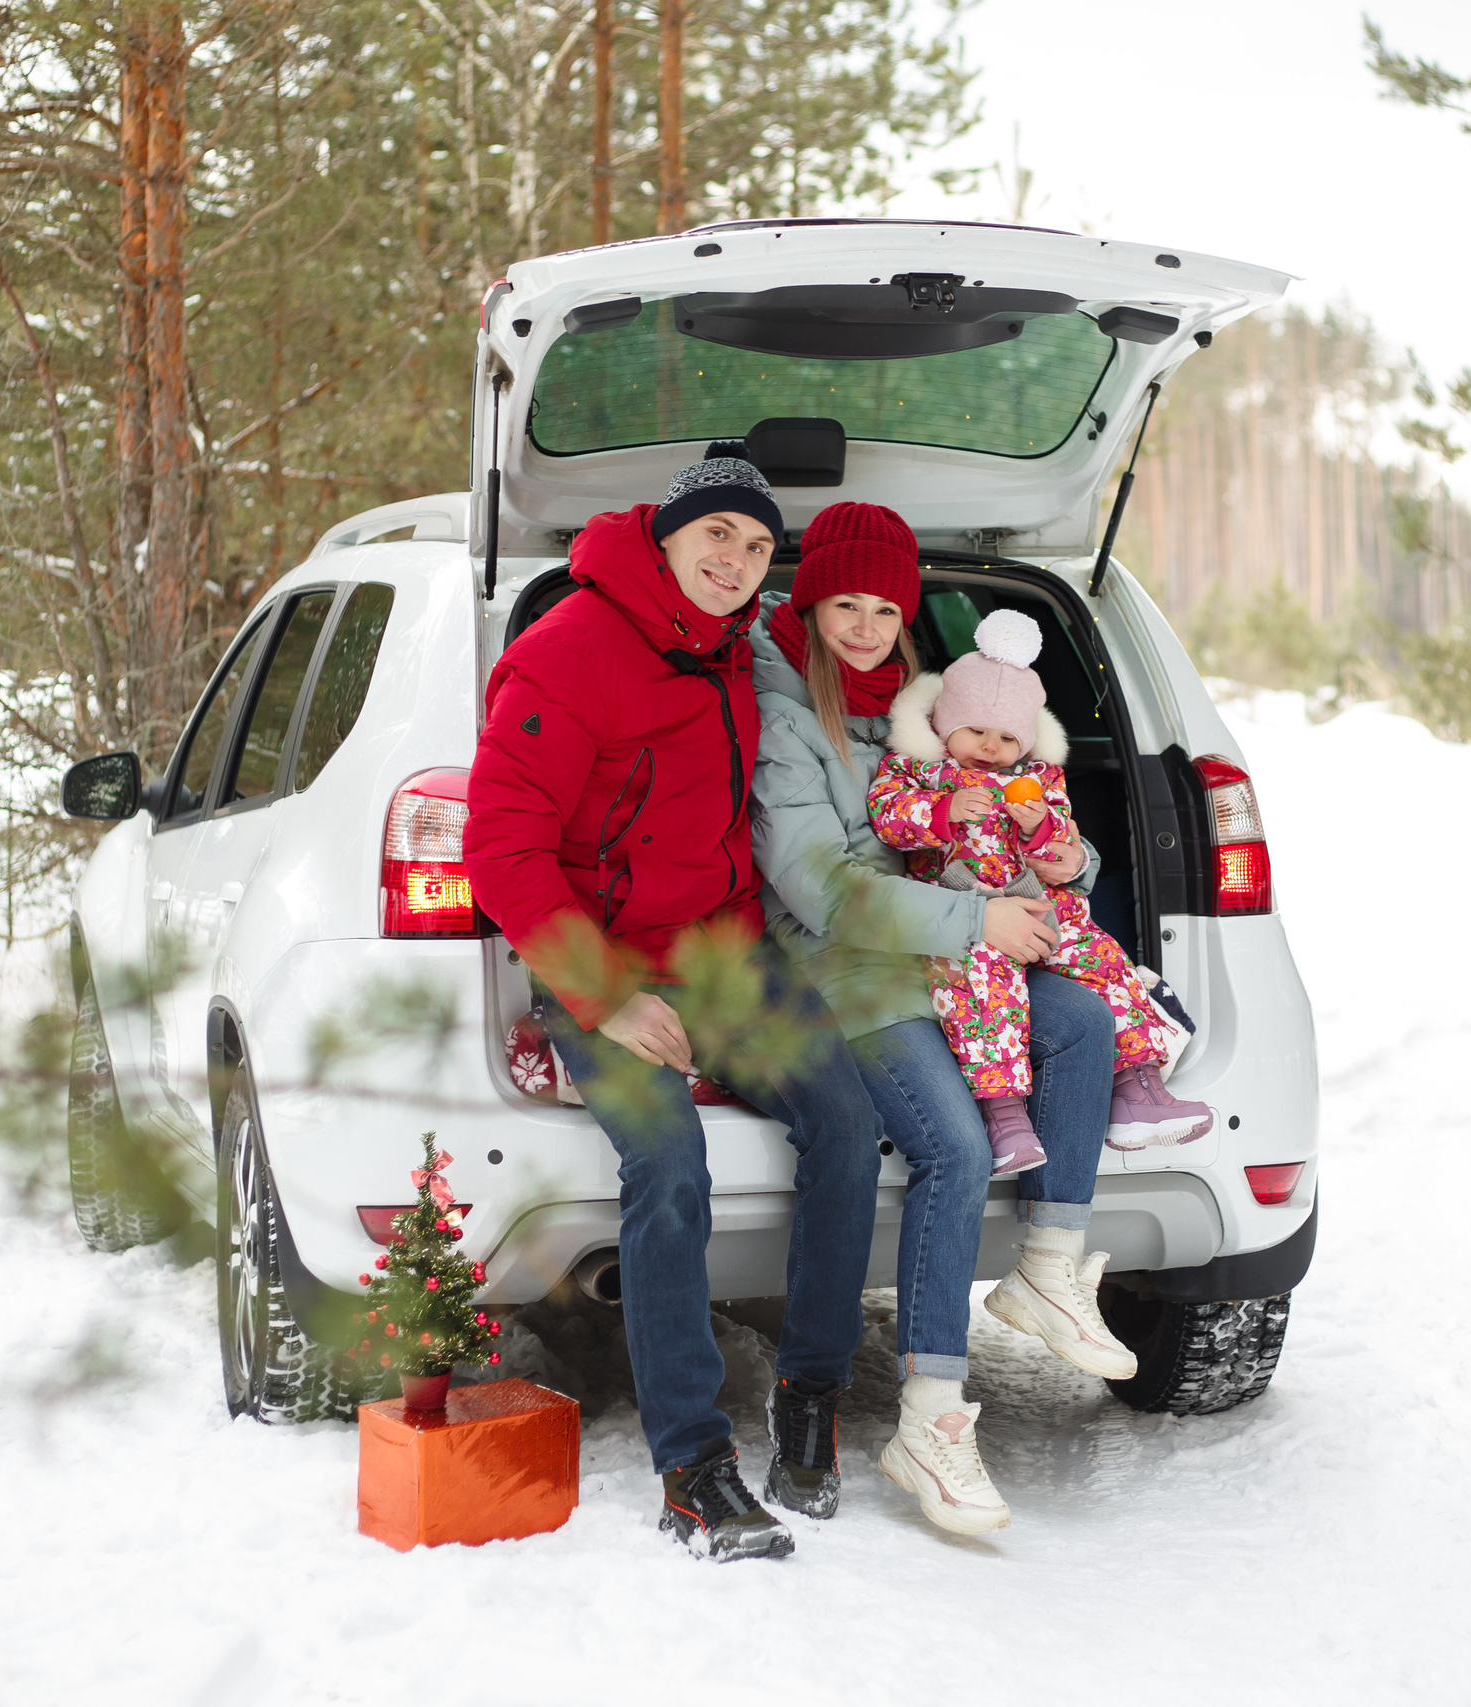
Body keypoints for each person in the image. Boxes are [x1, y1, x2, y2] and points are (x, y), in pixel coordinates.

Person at [464, 456, 879, 1563]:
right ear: (665, 539)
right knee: (670, 1161)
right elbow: (499, 849)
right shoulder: (566, 654)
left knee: (843, 1123)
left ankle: (808, 1391)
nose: (736, 562)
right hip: (603, 970)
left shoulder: (738, 647)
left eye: (755, 548)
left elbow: (866, 670)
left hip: (727, 956)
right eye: (718, 538)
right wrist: (604, 998)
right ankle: (692, 1463)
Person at [746, 500, 1138, 1538]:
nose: (866, 627)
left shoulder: (930, 703)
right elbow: (819, 889)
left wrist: (1075, 865)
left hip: (954, 949)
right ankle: (929, 1418)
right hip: (856, 966)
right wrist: (978, 918)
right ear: (811, 601)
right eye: (845, 604)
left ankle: (1048, 1267)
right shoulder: (784, 718)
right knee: (955, 1152)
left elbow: (1029, 814)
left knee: (1086, 1024)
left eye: (886, 607)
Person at [871, 609, 1215, 1173]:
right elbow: (889, 819)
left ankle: (1137, 1092)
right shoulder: (915, 770)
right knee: (983, 995)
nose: (990, 746)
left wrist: (1044, 832)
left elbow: (1063, 836)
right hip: (968, 914)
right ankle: (1005, 1119)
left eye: (1007, 737)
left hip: (1042, 907)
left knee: (1107, 963)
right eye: (975, 730)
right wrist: (941, 811)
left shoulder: (1040, 778)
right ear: (942, 722)